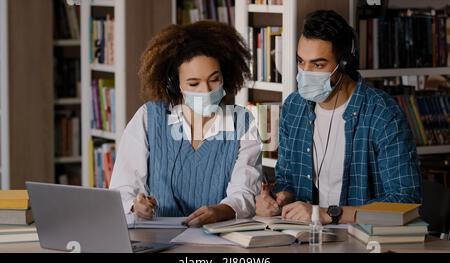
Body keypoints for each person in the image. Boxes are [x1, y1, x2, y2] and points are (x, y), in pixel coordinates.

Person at [255, 10, 422, 225]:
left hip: (364, 241)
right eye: (301, 62)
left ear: (344, 65)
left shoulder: (383, 114)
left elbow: (405, 201)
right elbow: (287, 179)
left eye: (318, 65)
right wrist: (279, 198)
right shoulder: (294, 106)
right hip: (308, 238)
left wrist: (330, 214)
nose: (305, 73)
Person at [109, 21, 262, 227]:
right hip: (157, 237)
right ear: (175, 83)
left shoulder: (242, 122)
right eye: (193, 83)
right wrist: (135, 206)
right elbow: (122, 189)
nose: (206, 90)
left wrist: (221, 210)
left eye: (214, 79)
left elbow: (245, 192)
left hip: (218, 240)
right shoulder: (149, 117)